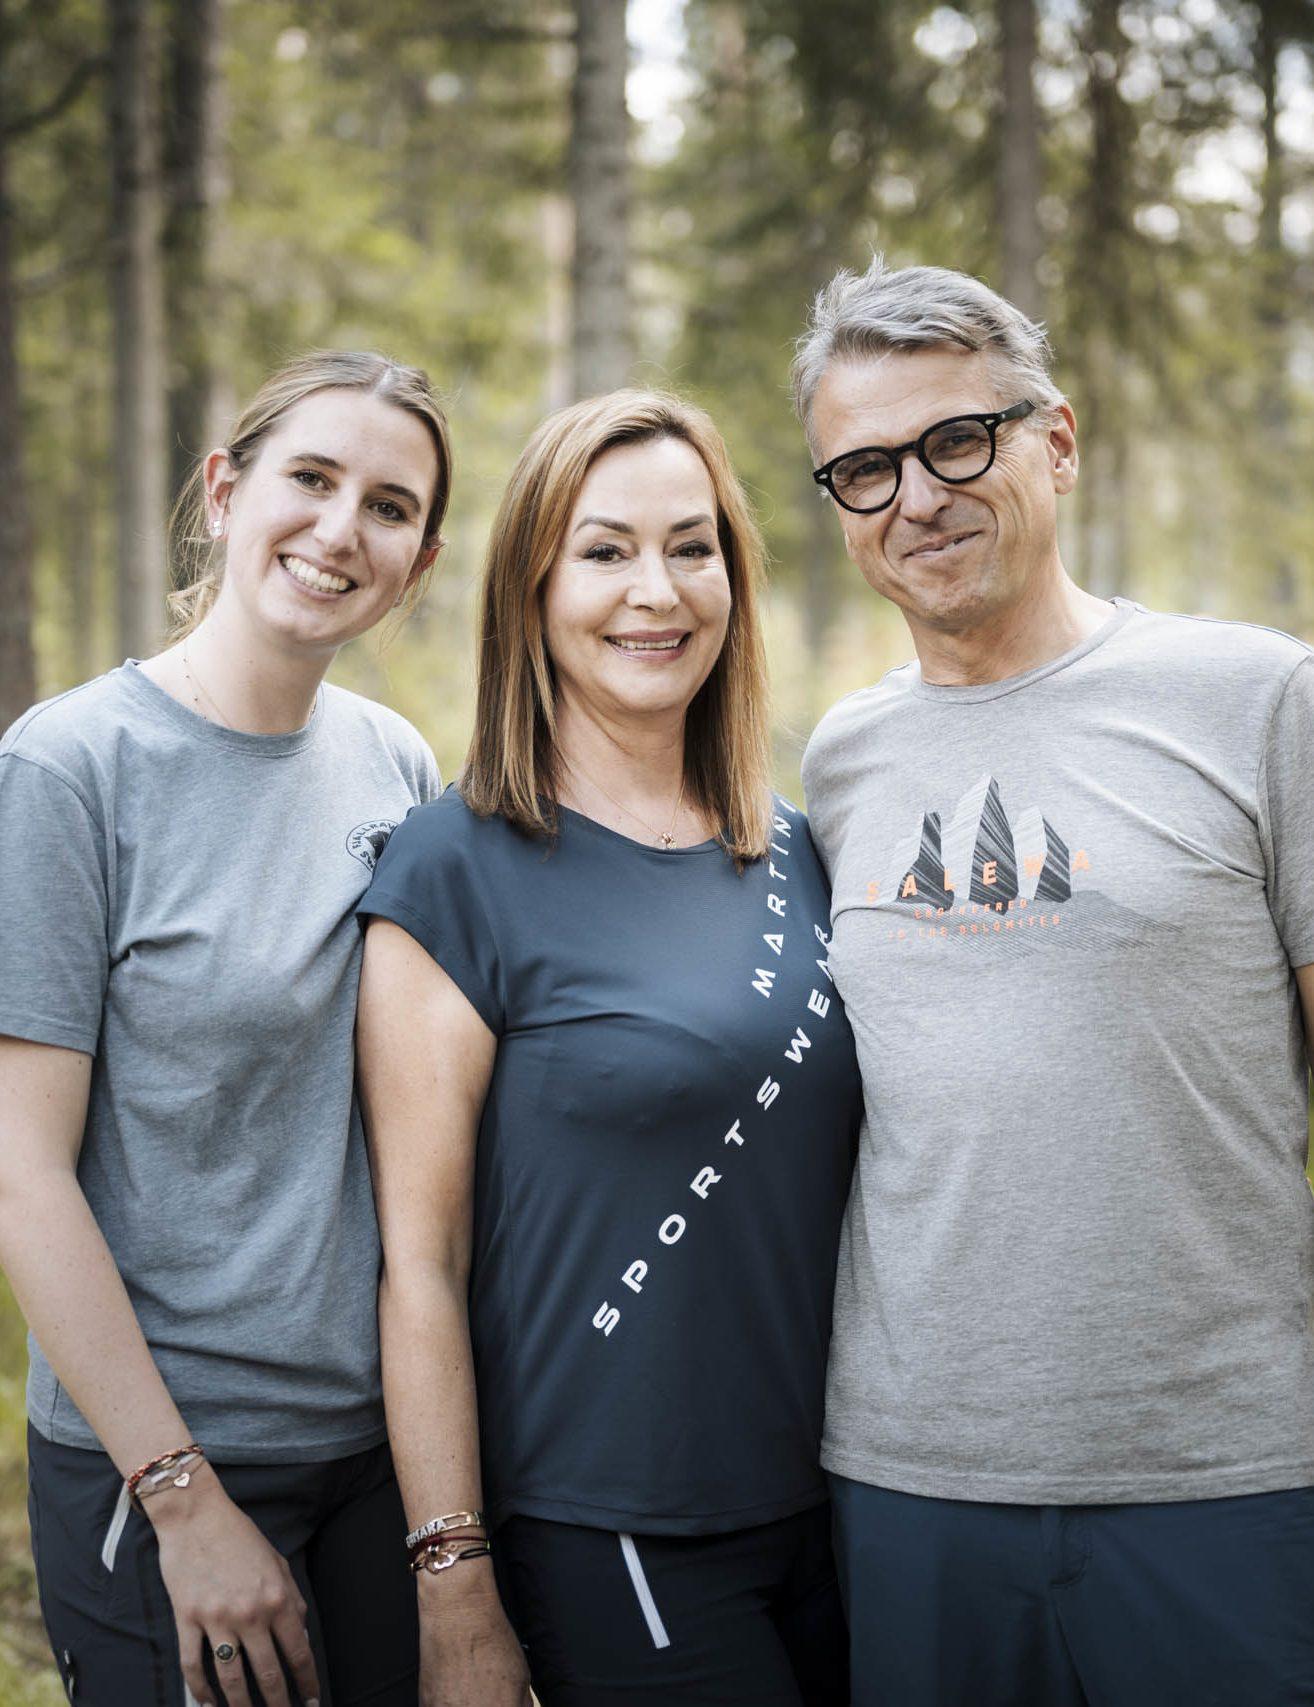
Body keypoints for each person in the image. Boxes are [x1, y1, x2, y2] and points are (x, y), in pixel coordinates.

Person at [794, 254, 1314, 1706]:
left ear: (1057, 442)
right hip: (912, 1479)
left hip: (1226, 1477)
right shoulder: (840, 761)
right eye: (865, 469)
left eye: (958, 441)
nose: (917, 497)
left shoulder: (1259, 699)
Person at [355, 389, 862, 1707]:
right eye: (604, 551)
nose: (657, 591)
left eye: (692, 547)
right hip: (614, 1524)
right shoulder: (455, 868)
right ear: (531, 590)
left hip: (848, 1501)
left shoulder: (802, 849)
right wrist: (452, 1582)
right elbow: (420, 1265)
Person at [0, 349, 453, 1707]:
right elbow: (22, 1171)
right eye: (310, 478)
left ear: (419, 563)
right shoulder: (69, 769)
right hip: (163, 1459)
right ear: (222, 491)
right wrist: (181, 1499)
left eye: (388, 506)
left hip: (373, 1449)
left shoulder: (395, 765)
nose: (339, 529)